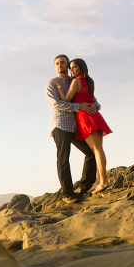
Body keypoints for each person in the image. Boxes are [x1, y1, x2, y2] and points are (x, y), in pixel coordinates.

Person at [46, 54, 101, 204]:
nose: (60, 65)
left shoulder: (77, 81)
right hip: (61, 126)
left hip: (78, 127)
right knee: (63, 159)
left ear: (68, 65)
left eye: (63, 63)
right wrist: (78, 107)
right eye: (57, 63)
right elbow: (56, 104)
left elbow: (92, 98)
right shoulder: (52, 83)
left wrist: (96, 106)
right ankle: (68, 194)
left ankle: (84, 186)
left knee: (91, 153)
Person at [53, 58, 113, 193]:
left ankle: (103, 181)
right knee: (98, 150)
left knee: (96, 150)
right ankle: (98, 181)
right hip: (95, 115)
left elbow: (66, 99)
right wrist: (96, 107)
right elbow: (92, 99)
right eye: (71, 68)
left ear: (81, 68)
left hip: (85, 117)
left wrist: (58, 86)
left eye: (74, 67)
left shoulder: (76, 81)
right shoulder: (90, 81)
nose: (72, 70)